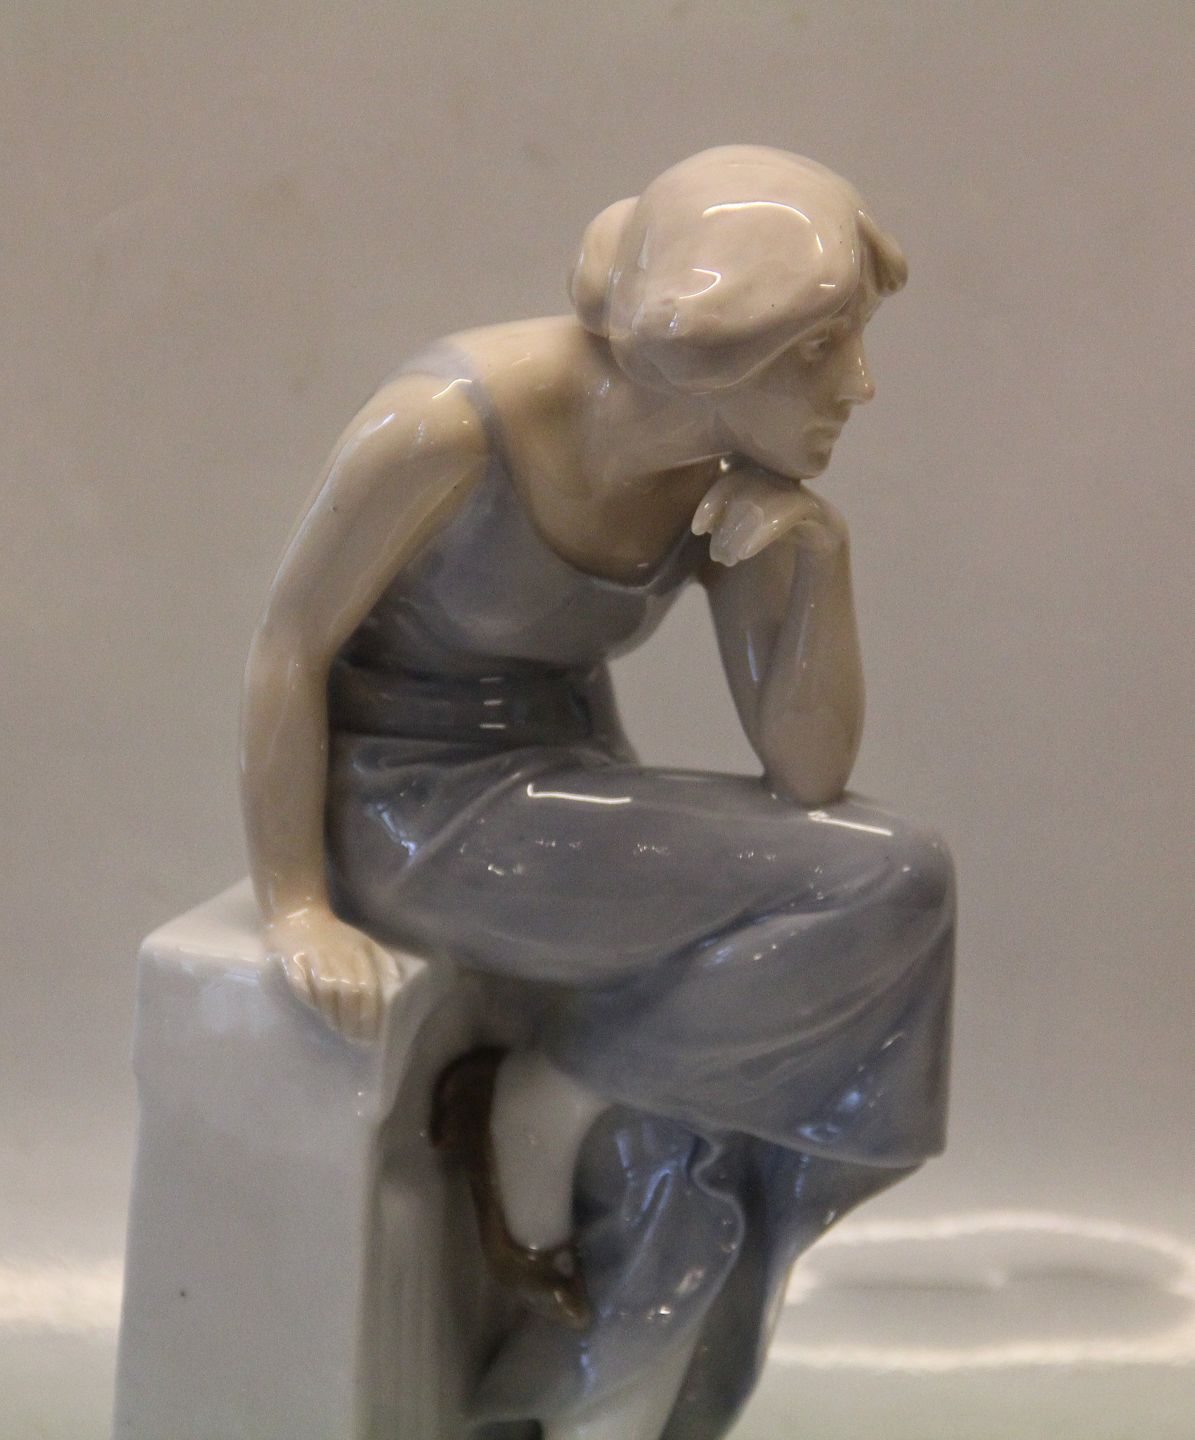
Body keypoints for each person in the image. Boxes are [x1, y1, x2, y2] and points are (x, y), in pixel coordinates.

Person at [240, 146, 954, 1440]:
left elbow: (808, 775)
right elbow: (290, 648)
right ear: (713, 344)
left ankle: (582, 1391)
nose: (859, 385)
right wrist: (296, 902)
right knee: (892, 877)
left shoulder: (725, 479)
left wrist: (814, 560)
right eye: (821, 349)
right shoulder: (449, 426)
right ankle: (546, 1100)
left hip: (564, 790)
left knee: (710, 1095)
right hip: (411, 811)